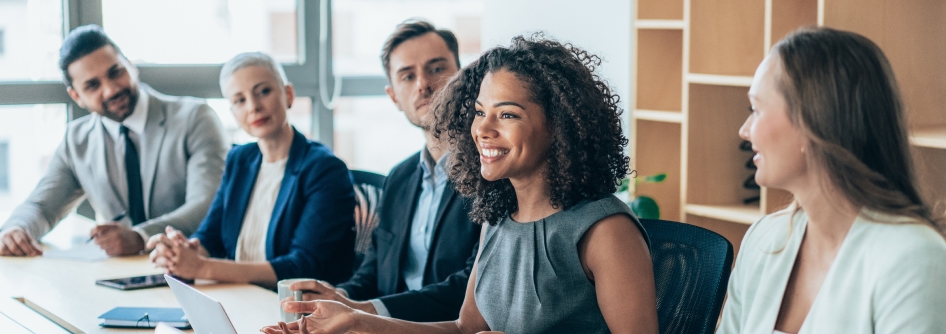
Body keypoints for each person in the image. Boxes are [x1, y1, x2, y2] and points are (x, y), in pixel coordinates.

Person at [263, 35, 659, 334]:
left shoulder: (606, 231)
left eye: (506, 115)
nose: (482, 130)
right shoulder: (499, 215)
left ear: (560, 126)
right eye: (479, 112)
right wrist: (357, 321)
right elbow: (462, 329)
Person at [717, 27, 946, 333]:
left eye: (756, 109)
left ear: (812, 121)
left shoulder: (914, 258)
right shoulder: (762, 241)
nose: (744, 130)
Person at [286, 19, 482, 322]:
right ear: (393, 97)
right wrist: (342, 296)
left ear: (461, 76)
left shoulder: (490, 171)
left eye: (436, 68)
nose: (423, 84)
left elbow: (472, 287)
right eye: (407, 76)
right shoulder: (400, 178)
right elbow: (376, 267)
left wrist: (367, 311)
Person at [0, 24, 227, 257]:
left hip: (198, 269)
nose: (110, 90)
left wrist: (140, 237)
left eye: (115, 72)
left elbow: (207, 204)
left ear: (131, 65)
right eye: (92, 85)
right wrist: (16, 229)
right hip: (120, 274)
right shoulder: (77, 141)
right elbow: (41, 207)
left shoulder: (195, 118)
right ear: (76, 96)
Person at [145, 52, 357, 288]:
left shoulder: (324, 169)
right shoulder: (239, 159)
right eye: (240, 100)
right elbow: (211, 235)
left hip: (297, 309)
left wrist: (202, 267)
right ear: (233, 113)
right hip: (240, 295)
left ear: (288, 94)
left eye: (263, 92)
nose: (254, 107)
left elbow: (303, 266)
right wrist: (183, 252)